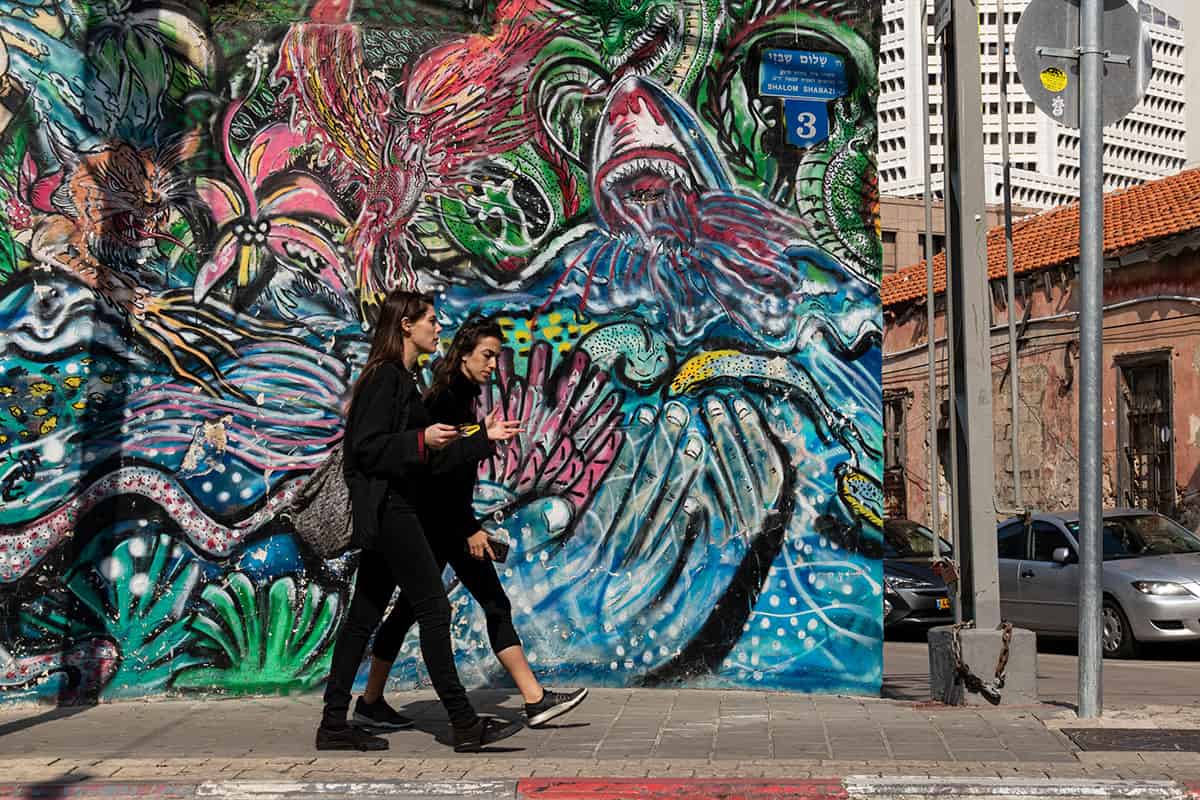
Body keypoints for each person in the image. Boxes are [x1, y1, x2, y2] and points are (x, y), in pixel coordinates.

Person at [352, 317, 588, 732]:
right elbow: (439, 472)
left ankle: (370, 702)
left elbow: (456, 455)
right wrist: (469, 528)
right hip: (444, 524)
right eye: (486, 355)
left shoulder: (461, 396)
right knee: (492, 603)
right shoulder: (444, 398)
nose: (492, 364)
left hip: (443, 523)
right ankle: (533, 700)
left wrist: (485, 434)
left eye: (496, 357)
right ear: (463, 354)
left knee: (408, 611)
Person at [317, 290, 524, 753]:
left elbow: (430, 454)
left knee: (363, 617)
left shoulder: (403, 379)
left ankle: (334, 723)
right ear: (406, 325)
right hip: (391, 509)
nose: (438, 326)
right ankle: (464, 722)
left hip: (395, 507)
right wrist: (419, 440)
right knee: (434, 608)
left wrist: (478, 436)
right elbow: (365, 449)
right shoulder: (384, 378)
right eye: (430, 319)